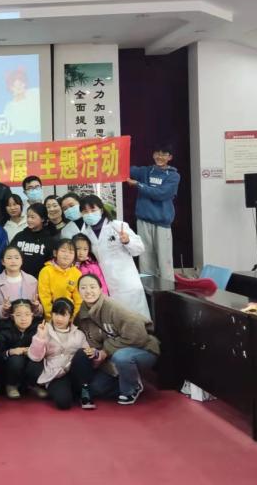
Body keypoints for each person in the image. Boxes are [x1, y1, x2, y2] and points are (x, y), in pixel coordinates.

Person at [77, 274, 160, 405]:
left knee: (121, 357)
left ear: (101, 289)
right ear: (78, 291)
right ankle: (126, 379)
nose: (88, 291)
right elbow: (92, 343)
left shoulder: (113, 307)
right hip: (112, 357)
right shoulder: (82, 316)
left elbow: (138, 334)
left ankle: (132, 388)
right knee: (96, 388)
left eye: (92, 287)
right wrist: (97, 355)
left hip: (143, 349)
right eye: (83, 288)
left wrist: (106, 351)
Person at [78, 195, 151, 319]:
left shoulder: (117, 226)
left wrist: (127, 241)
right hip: (105, 284)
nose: (89, 214)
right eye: (85, 211)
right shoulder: (84, 233)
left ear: (101, 210)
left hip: (126, 282)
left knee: (136, 318)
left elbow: (139, 249)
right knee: (115, 319)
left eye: (93, 210)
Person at [28, 298, 97, 410]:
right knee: (63, 403)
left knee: (83, 352)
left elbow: (87, 358)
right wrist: (40, 337)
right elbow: (35, 357)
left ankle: (84, 391)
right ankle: (69, 392)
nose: (59, 319)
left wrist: (94, 352)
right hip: (56, 374)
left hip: (76, 373)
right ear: (51, 314)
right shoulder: (44, 330)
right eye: (56, 314)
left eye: (64, 315)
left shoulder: (79, 334)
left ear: (70, 317)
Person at [127, 144, 180, 282]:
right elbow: (125, 169)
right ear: (153, 154)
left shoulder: (173, 176)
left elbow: (161, 194)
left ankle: (168, 290)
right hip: (143, 221)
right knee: (145, 260)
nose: (160, 157)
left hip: (162, 223)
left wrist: (139, 185)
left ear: (170, 157)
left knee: (164, 261)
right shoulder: (145, 171)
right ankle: (148, 289)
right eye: (157, 153)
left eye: (164, 154)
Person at [0, 300, 40, 399]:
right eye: (18, 315)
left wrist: (32, 350)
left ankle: (33, 385)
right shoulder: (4, 330)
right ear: (12, 317)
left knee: (37, 360)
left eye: (27, 314)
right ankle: (11, 385)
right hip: (9, 369)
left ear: (32, 316)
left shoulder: (38, 329)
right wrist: (10, 352)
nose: (23, 319)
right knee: (16, 360)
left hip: (28, 364)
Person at [0, 245, 42, 324]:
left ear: (22, 260)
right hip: (5, 325)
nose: (13, 261)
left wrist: (36, 306)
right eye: (9, 258)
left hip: (29, 323)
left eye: (16, 258)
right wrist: (3, 308)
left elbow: (40, 311)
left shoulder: (32, 281)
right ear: (3, 262)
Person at [37, 239, 82, 319]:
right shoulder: (46, 271)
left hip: (70, 318)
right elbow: (45, 298)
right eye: (63, 251)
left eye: (71, 252)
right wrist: (52, 318)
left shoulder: (77, 274)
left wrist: (72, 319)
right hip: (51, 318)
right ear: (55, 253)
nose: (67, 255)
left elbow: (79, 301)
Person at [10, 203, 54, 278]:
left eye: (32, 217)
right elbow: (10, 254)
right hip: (18, 278)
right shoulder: (19, 236)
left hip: (40, 279)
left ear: (42, 219)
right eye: (28, 217)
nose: (29, 220)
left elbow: (51, 263)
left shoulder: (49, 239)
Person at [74, 234, 109, 298]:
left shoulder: (92, 265)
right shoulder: (69, 265)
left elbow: (101, 283)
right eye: (78, 249)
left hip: (94, 298)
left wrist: (103, 298)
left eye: (85, 249)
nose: (81, 252)